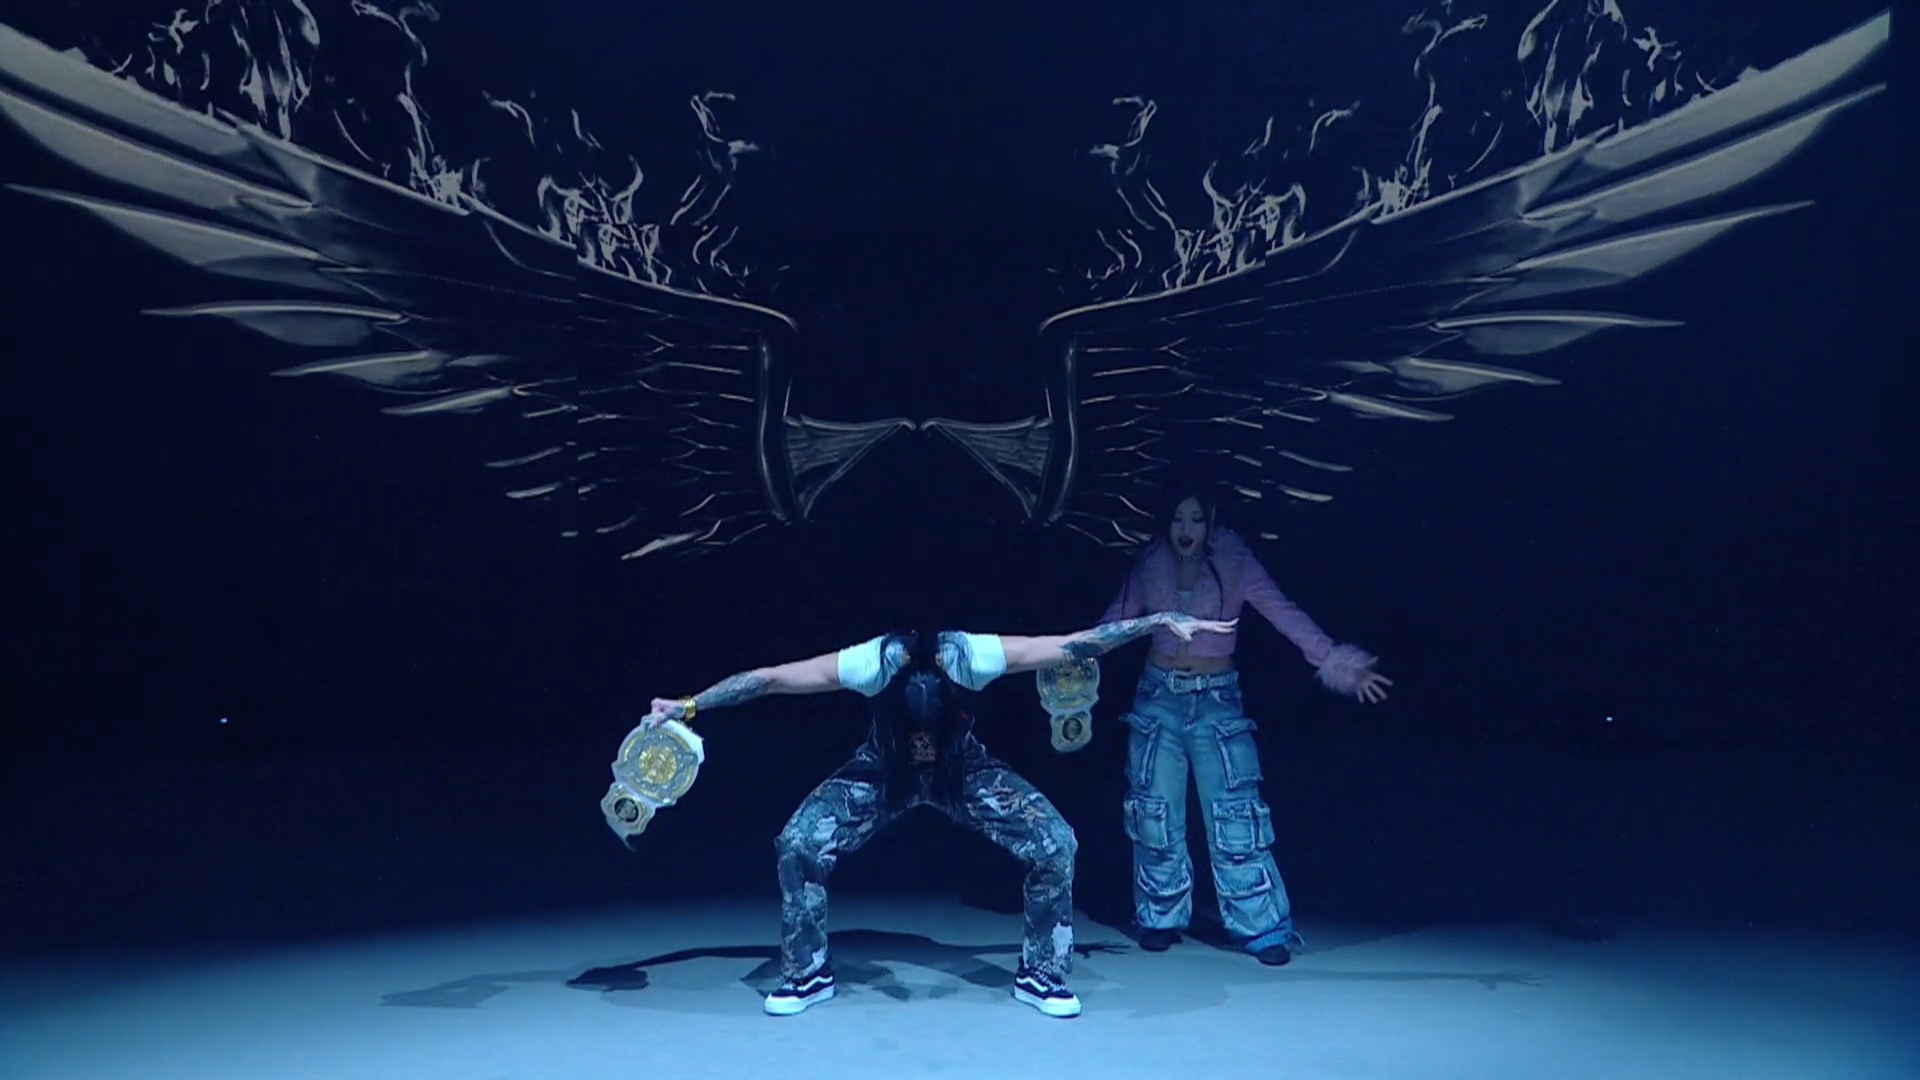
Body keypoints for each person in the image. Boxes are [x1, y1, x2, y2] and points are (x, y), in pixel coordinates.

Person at [636, 610, 1236, 1018]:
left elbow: (1070, 645)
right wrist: (688, 705)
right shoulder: (872, 661)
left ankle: (1042, 973)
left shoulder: (969, 655)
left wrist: (1154, 622)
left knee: (1056, 841)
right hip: (886, 769)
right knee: (798, 842)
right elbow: (770, 680)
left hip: (960, 769)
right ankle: (808, 971)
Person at [1099, 482, 1391, 966]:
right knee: (1154, 810)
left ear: (1211, 520)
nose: (1185, 529)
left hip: (1216, 702)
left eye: (1195, 519)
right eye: (1177, 518)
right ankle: (1159, 915)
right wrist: (1072, 657)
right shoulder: (1150, 562)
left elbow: (1284, 613)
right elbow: (1115, 621)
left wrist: (1336, 661)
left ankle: (1259, 923)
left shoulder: (1235, 560)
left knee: (1235, 814)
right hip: (1157, 699)